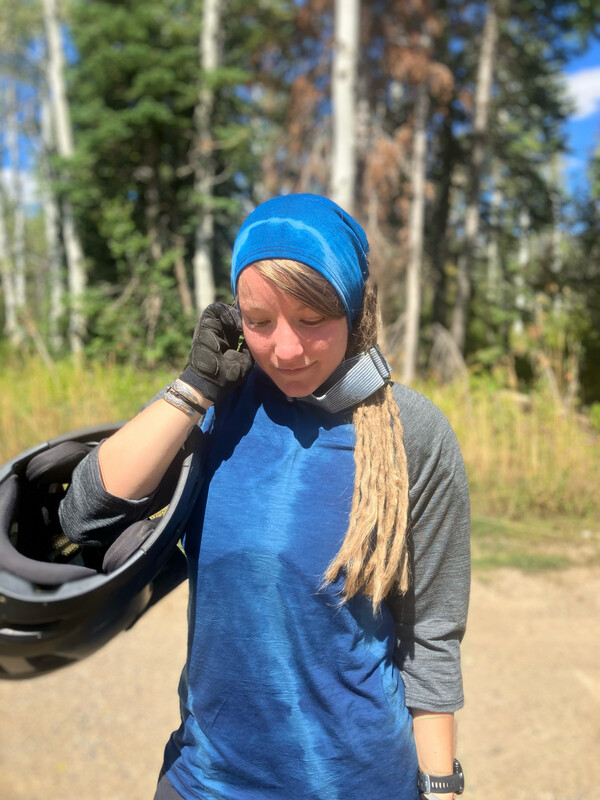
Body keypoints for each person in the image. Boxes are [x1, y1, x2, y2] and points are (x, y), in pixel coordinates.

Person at [59, 193, 470, 800]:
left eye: (312, 321)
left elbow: (431, 637)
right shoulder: (217, 408)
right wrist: (192, 388)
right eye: (259, 322)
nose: (285, 349)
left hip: (358, 783)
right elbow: (85, 515)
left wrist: (440, 786)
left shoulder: (414, 433)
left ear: (355, 311)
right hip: (206, 780)